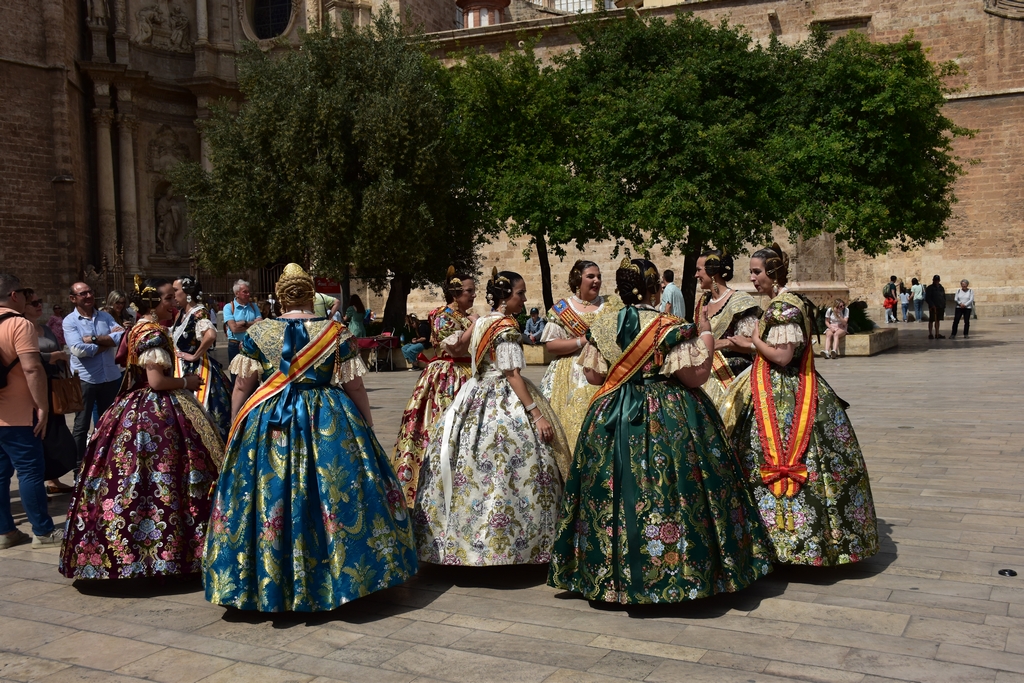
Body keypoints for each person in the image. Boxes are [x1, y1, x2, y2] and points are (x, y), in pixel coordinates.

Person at [547, 258, 773, 604]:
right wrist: (707, 333)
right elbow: (695, 377)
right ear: (655, 288)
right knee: (677, 486)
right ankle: (679, 571)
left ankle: (606, 574)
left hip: (611, 413)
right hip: (668, 414)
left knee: (609, 490)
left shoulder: (604, 325)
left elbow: (594, 378)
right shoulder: (669, 326)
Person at [205, 264, 416, 611]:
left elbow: (242, 385)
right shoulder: (335, 332)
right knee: (335, 490)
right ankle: (341, 577)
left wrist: (235, 427)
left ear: (279, 296)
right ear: (312, 293)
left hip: (269, 419)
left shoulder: (258, 333)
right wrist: (365, 422)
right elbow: (355, 385)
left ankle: (268, 579)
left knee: (267, 493)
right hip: (328, 415)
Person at [721, 245, 879, 566]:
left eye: (757, 272)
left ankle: (792, 544)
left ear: (775, 273)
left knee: (777, 455)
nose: (752, 279)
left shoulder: (784, 309)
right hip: (781, 386)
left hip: (785, 394)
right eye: (752, 272)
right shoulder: (789, 303)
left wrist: (753, 342)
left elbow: (781, 356)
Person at [59, 277, 223, 579]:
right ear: (157, 304)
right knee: (163, 472)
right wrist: (187, 382)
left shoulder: (142, 328)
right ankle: (163, 555)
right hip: (155, 411)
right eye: (169, 299)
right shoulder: (152, 333)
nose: (174, 303)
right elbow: (157, 382)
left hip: (137, 405)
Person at [414, 268, 570, 566]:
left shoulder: (483, 321)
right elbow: (512, 375)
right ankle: (524, 545)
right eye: (520, 294)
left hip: (473, 393)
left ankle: (461, 541)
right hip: (503, 397)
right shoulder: (506, 328)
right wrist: (536, 414)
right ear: (506, 296)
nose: (524, 300)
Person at [391, 268, 478, 506]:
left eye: (474, 291)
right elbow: (455, 349)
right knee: (440, 426)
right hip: (447, 377)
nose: (473, 296)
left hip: (469, 373)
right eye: (469, 291)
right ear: (455, 293)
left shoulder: (466, 316)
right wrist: (476, 325)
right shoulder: (442, 315)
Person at [0, 274, 61, 550]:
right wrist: (43, 406)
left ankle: (6, 531)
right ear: (15, 295)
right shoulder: (18, 324)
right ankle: (43, 531)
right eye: (25, 293)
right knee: (30, 471)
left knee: (1, 474)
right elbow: (32, 367)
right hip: (19, 413)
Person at [540, 260, 621, 453]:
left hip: (603, 370)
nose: (596, 281)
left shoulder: (611, 305)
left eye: (599, 276)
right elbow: (551, 345)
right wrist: (583, 341)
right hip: (570, 371)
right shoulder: (563, 308)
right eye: (590, 276)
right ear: (577, 279)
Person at [63, 281, 125, 466]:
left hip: (110, 377)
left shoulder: (105, 317)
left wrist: (95, 339)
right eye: (83, 294)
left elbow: (121, 337)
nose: (89, 296)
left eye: (90, 292)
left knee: (111, 422)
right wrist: (107, 344)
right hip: (86, 379)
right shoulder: (70, 321)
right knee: (81, 426)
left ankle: (107, 461)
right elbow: (78, 350)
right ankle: (78, 466)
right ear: (73, 299)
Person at [692, 249, 761, 410]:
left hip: (733, 377)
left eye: (699, 270)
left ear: (713, 272)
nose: (696, 275)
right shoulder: (703, 301)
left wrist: (724, 343)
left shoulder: (740, 302)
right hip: (704, 374)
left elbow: (755, 344)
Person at [23, 291, 75, 494]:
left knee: (57, 434)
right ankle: (39, 482)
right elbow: (29, 358)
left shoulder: (45, 328)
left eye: (39, 301)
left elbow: (60, 349)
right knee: (41, 434)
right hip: (36, 388)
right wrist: (54, 356)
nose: (38, 305)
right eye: (33, 303)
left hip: (54, 386)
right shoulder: (22, 330)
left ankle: (54, 479)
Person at [170, 277, 232, 440]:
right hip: (179, 368)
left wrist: (194, 355)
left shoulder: (199, 312)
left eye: (176, 290)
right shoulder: (182, 313)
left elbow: (210, 335)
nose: (173, 294)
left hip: (196, 370)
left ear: (188, 293)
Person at [222, 279, 262, 366]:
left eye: (249, 291)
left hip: (252, 344)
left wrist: (243, 323)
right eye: (245, 292)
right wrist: (253, 324)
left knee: (253, 373)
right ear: (237, 293)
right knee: (236, 374)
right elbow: (234, 328)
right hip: (235, 346)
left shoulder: (253, 306)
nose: (248, 294)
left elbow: (260, 324)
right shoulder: (228, 307)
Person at [926, 275, 946, 340]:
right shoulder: (930, 288)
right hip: (933, 307)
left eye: (937, 280)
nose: (936, 281)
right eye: (935, 280)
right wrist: (932, 305)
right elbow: (927, 298)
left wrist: (944, 305)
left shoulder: (941, 288)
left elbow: (943, 296)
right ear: (933, 280)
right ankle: (930, 333)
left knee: (938, 320)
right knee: (931, 320)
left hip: (940, 306)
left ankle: (937, 333)